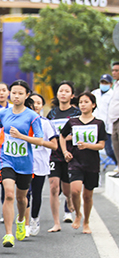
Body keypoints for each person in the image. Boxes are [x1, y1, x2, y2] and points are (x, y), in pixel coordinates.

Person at [0, 80, 43, 247]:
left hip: (25, 163)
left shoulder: (33, 116)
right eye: (14, 93)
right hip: (6, 159)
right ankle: (8, 234)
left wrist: (21, 136)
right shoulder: (4, 113)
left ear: (26, 96)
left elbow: (39, 140)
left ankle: (20, 219)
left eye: (20, 93)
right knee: (9, 194)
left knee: (21, 198)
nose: (16, 96)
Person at [59, 92, 106, 234]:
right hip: (75, 161)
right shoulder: (73, 121)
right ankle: (78, 214)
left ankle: (86, 222)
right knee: (75, 190)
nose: (83, 105)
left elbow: (101, 145)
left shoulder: (99, 123)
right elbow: (61, 136)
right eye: (80, 102)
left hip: (91, 163)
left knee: (87, 195)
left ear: (93, 105)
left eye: (86, 102)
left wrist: (87, 146)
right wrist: (65, 152)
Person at [47, 81, 81, 232]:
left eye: (67, 91)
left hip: (70, 155)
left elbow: (82, 132)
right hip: (54, 155)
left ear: (72, 95)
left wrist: (68, 138)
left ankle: (68, 200)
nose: (63, 93)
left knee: (68, 191)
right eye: (61, 91)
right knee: (54, 187)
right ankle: (56, 223)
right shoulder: (52, 113)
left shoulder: (76, 113)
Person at [27, 93, 58, 236]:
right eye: (32, 102)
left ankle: (34, 218)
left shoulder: (45, 123)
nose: (35, 105)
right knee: (24, 194)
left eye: (38, 102)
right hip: (24, 164)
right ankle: (24, 222)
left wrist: (38, 141)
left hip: (40, 164)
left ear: (42, 106)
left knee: (36, 193)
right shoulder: (22, 122)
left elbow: (54, 145)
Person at [92, 73, 115, 166]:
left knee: (109, 150)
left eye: (106, 83)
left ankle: (117, 163)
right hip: (93, 124)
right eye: (102, 82)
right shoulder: (94, 93)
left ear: (110, 84)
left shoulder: (113, 95)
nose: (103, 84)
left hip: (107, 126)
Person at [108, 62, 119, 177]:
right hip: (114, 120)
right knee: (115, 145)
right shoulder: (115, 85)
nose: (114, 73)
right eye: (113, 70)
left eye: (117, 70)